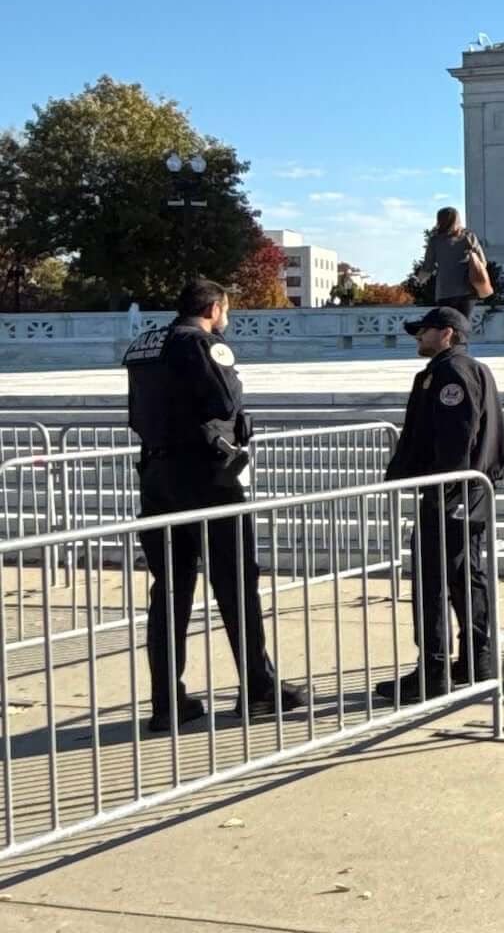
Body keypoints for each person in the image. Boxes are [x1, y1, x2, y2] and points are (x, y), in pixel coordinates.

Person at [122, 279, 309, 733]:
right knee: (235, 582)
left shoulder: (147, 342)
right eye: (226, 309)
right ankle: (261, 688)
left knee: (169, 589)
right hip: (205, 476)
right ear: (214, 307)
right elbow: (226, 399)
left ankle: (167, 700)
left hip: (156, 475)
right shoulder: (204, 344)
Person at [377, 306, 504, 704]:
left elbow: (457, 438)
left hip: (449, 493)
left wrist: (437, 486)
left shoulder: (450, 373)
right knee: (466, 576)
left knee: (431, 582)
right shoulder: (472, 369)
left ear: (448, 334)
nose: (418, 337)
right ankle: (475, 659)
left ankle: (433, 670)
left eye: (426, 331)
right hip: (469, 492)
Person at [418, 207, 486, 319]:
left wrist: (420, 280)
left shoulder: (435, 241)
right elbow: (482, 262)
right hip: (467, 290)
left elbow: (428, 267)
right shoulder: (469, 237)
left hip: (445, 291)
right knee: (463, 325)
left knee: (447, 326)